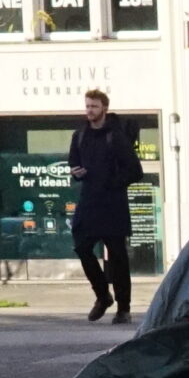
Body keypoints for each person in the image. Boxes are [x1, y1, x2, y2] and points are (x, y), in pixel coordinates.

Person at [67, 88, 142, 321]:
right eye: (87, 106)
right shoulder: (79, 135)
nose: (90, 110)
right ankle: (102, 295)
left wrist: (112, 182)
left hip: (113, 203)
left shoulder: (115, 136)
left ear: (105, 109)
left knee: (117, 257)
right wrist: (76, 172)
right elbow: (73, 163)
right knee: (82, 247)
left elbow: (135, 171)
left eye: (94, 106)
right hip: (89, 201)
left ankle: (123, 308)